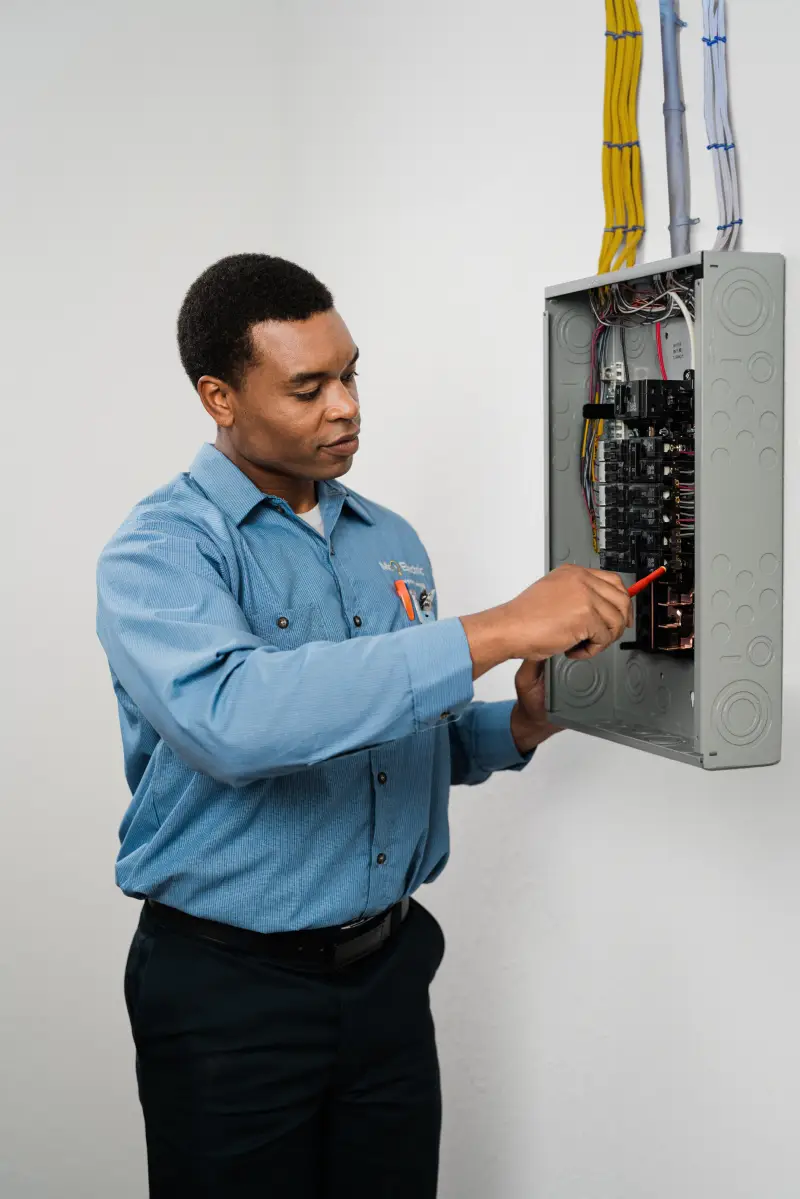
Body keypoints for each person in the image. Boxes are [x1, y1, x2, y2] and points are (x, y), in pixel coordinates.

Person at [96, 253, 632, 1198]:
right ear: (219, 397)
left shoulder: (390, 541)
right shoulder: (160, 551)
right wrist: (498, 628)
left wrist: (520, 727)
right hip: (229, 998)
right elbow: (237, 720)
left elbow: (396, 746)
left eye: (350, 374)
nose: (345, 406)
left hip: (386, 979)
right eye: (308, 387)